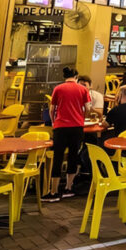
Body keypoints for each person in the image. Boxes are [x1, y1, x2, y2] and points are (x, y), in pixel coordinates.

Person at [42, 66, 91, 202]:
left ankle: (54, 191)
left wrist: (53, 122)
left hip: (61, 126)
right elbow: (87, 108)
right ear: (76, 76)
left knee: (58, 157)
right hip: (77, 127)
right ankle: (69, 188)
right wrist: (81, 118)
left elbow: (52, 109)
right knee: (73, 156)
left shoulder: (58, 89)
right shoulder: (83, 89)